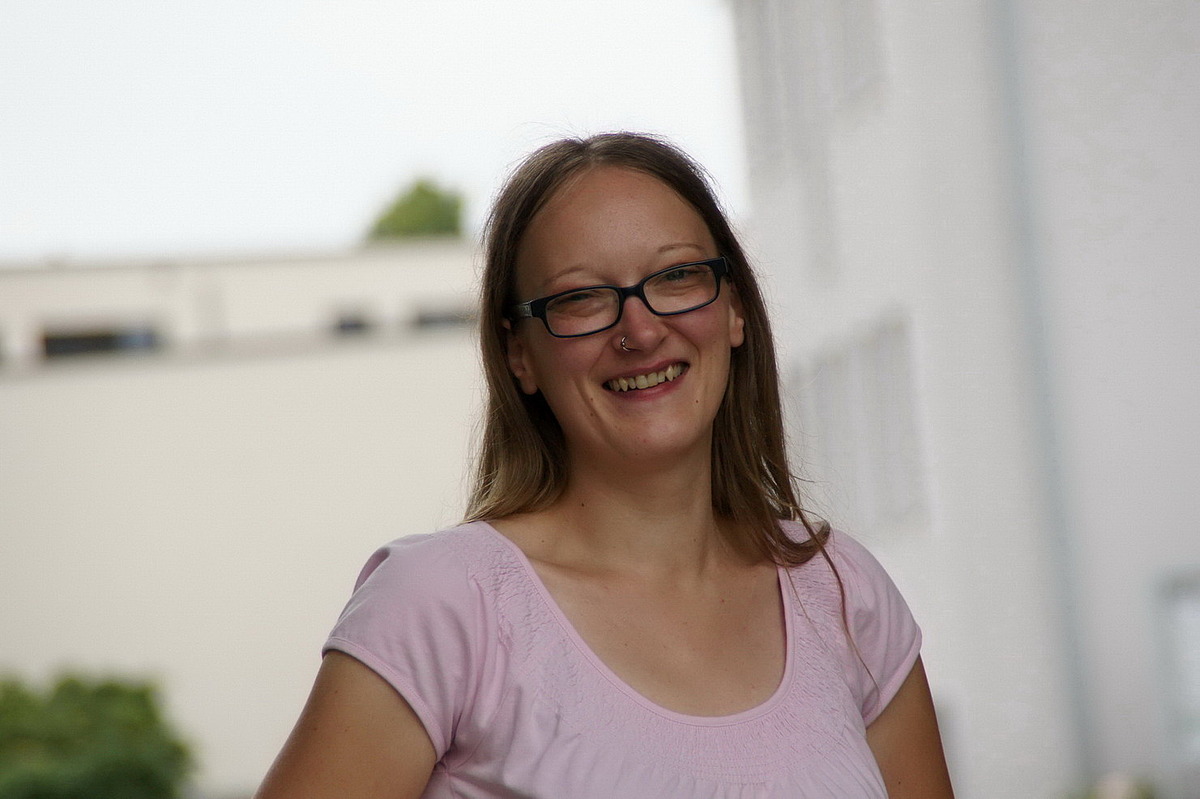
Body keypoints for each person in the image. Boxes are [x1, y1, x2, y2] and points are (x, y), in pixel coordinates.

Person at [256, 133, 954, 798]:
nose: (640, 330)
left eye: (676, 276)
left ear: (735, 309)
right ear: (520, 355)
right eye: (580, 298)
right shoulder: (442, 605)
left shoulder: (843, 594)